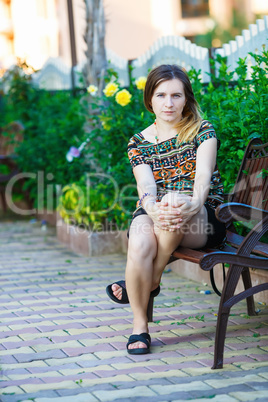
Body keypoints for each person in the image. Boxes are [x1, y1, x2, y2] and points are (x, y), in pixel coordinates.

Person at [106, 64, 226, 355]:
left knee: (173, 201)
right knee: (140, 236)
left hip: (203, 215)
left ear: (187, 99)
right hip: (158, 211)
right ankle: (139, 327)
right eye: (161, 95)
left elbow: (202, 182)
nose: (169, 103)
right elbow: (145, 185)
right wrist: (151, 207)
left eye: (176, 95)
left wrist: (187, 204)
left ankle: (152, 278)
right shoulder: (139, 142)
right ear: (150, 99)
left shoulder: (202, 131)